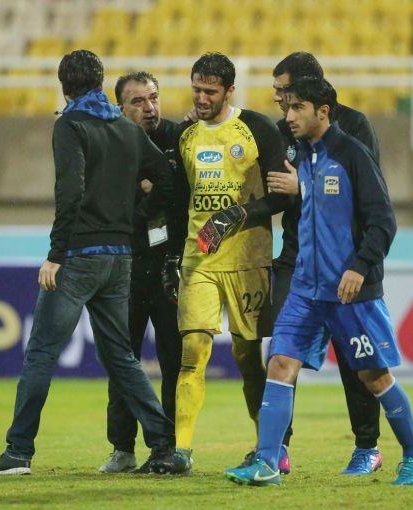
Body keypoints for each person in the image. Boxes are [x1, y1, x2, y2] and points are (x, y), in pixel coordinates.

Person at [0, 50, 189, 476]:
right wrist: (134, 214)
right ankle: (164, 446)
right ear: (100, 84)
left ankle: (18, 451)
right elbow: (167, 180)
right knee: (121, 357)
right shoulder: (127, 129)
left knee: (42, 352)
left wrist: (55, 254)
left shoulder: (70, 125)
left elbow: (70, 191)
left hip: (79, 257)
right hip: (121, 259)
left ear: (64, 87)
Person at [224, 76, 413, 487]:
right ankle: (268, 461)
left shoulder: (352, 155)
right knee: (280, 363)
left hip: (349, 291)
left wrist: (359, 267)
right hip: (306, 289)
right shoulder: (303, 157)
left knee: (374, 377)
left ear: (323, 111)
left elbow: (383, 221)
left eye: (297, 107)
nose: (288, 115)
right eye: (287, 107)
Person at [263, 51, 384, 476]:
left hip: (343, 261)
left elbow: (367, 198)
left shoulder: (354, 127)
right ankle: (275, 448)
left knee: (356, 360)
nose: (278, 99)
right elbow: (276, 193)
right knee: (281, 350)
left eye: (284, 90)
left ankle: (367, 446)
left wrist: (303, 186)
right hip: (296, 258)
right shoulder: (282, 131)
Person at [172, 52, 292, 470]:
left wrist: (237, 213)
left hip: (248, 260)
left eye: (210, 91)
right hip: (200, 257)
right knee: (193, 348)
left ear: (229, 91)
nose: (201, 98)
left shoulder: (257, 129)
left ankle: (267, 447)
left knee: (247, 356)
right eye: (196, 90)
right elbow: (178, 199)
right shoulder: (185, 134)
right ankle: (181, 450)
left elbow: (281, 194)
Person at [97, 71, 190, 473]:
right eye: (138, 101)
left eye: (153, 98)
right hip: (127, 268)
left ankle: (172, 448)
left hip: (171, 268)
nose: (149, 108)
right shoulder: (108, 143)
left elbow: (182, 196)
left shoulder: (180, 138)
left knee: (174, 363)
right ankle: (123, 449)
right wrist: (145, 196)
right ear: (120, 108)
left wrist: (146, 196)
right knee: (123, 360)